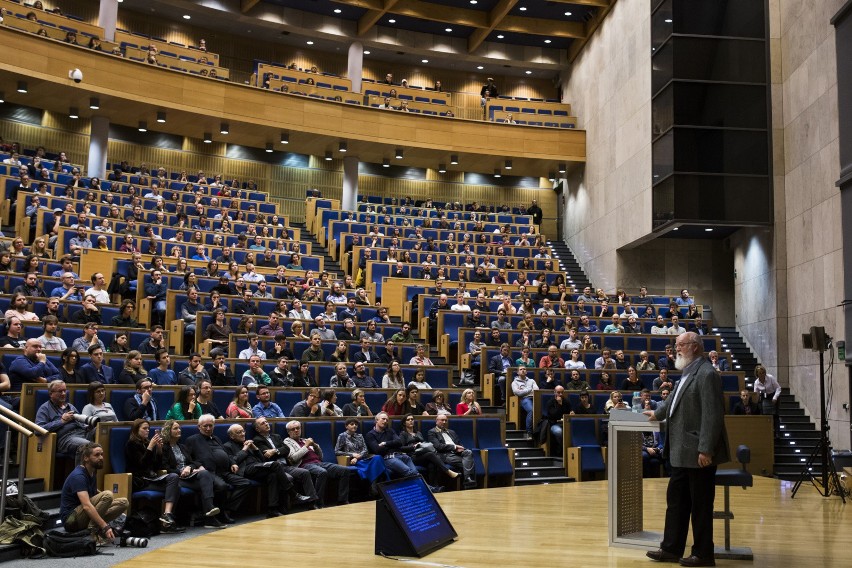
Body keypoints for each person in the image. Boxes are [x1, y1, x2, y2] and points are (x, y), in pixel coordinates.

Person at [645, 332, 729, 567]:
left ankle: (703, 554)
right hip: (681, 452)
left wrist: (706, 449)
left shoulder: (707, 373)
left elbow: (713, 415)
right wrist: (657, 413)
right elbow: (673, 398)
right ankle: (671, 548)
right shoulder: (689, 371)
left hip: (698, 453)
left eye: (680, 345)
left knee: (700, 506)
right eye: (676, 345)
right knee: (677, 502)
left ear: (694, 346)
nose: (676, 349)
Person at [224, 423, 308, 518]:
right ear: (232, 436)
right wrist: (245, 449)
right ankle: (293, 493)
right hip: (245, 470)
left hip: (257, 467)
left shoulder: (249, 443)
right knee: (275, 464)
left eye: (243, 431)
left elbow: (262, 460)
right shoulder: (228, 446)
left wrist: (255, 448)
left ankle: (272, 509)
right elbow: (233, 461)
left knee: (273, 475)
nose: (243, 434)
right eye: (239, 432)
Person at [184, 414, 253, 524]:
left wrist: (232, 463)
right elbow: (188, 459)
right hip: (209, 472)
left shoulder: (216, 438)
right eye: (205, 426)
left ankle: (225, 509)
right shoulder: (192, 440)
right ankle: (219, 514)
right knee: (222, 486)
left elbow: (226, 454)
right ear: (199, 427)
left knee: (245, 483)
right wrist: (198, 466)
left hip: (224, 471)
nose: (208, 428)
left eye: (210, 426)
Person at [159, 419, 224, 528]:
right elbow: (163, 468)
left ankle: (209, 510)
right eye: (175, 428)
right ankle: (210, 515)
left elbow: (196, 461)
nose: (179, 430)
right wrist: (180, 471)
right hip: (176, 479)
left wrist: (190, 467)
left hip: (188, 477)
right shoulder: (164, 448)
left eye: (179, 428)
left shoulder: (182, 447)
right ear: (168, 431)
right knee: (205, 481)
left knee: (204, 474)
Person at [60, 443, 129, 542]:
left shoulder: (92, 472)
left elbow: (94, 492)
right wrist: (105, 526)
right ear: (86, 458)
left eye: (102, 454)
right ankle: (92, 531)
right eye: (97, 455)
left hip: (82, 515)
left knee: (124, 502)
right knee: (108, 495)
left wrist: (108, 503)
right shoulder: (78, 476)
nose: (101, 457)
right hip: (71, 520)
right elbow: (86, 506)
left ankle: (96, 527)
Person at [124, 419, 182, 531]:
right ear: (136, 430)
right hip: (140, 480)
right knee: (174, 477)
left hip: (151, 478)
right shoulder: (131, 444)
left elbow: (157, 467)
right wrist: (150, 447)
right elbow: (141, 465)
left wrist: (159, 450)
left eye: (148, 429)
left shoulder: (146, 442)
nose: (147, 431)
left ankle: (167, 520)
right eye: (144, 428)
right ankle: (167, 516)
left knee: (177, 486)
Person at [250, 417, 319, 507]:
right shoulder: (257, 440)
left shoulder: (276, 436)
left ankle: (312, 502)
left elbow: (286, 449)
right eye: (263, 423)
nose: (267, 424)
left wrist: (274, 451)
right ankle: (284, 507)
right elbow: (267, 455)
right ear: (257, 429)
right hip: (275, 468)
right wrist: (279, 451)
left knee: (305, 472)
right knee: (288, 478)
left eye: (266, 422)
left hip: (286, 466)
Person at [283, 420, 350, 507]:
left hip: (319, 462)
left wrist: (315, 446)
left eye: (298, 428)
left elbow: (320, 457)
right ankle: (317, 503)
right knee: (322, 472)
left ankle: (342, 500)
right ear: (288, 432)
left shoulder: (305, 440)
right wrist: (306, 446)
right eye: (293, 429)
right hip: (304, 465)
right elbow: (293, 458)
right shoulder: (287, 442)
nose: (296, 430)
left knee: (344, 470)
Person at [36, 380, 92, 456]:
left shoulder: (70, 406)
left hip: (81, 433)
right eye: (60, 391)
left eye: (64, 391)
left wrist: (87, 427)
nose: (63, 394)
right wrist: (61, 421)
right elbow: (38, 430)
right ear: (51, 394)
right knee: (88, 446)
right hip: (65, 438)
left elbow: (80, 423)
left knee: (100, 433)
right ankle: (82, 468)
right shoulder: (44, 408)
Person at [427, 414, 476, 489]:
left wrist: (461, 448)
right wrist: (454, 447)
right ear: (436, 421)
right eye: (442, 420)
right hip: (446, 454)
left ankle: (467, 480)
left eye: (446, 420)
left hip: (457, 453)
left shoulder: (451, 432)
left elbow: (458, 443)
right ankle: (468, 481)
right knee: (469, 463)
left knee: (468, 452)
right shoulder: (432, 432)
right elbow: (438, 446)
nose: (444, 422)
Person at [753, 364, 781, 436]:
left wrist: (775, 397)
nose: (762, 374)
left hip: (773, 395)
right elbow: (756, 393)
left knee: (775, 415)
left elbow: (778, 388)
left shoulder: (770, 377)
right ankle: (768, 431)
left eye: (763, 373)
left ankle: (777, 433)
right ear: (757, 374)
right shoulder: (756, 382)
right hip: (764, 397)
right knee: (764, 414)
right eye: (760, 373)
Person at [512, 367, 538, 438]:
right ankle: (529, 432)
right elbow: (518, 393)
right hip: (524, 399)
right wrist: (530, 389)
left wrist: (524, 390)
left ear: (526, 371)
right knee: (531, 411)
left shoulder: (532, 380)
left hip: (534, 398)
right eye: (521, 369)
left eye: (524, 369)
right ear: (517, 372)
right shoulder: (515, 382)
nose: (523, 370)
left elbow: (536, 390)